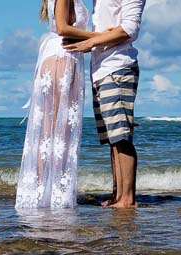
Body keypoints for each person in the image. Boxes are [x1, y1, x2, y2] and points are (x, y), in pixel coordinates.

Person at [15, 0, 102, 210]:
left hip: (62, 56)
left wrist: (92, 42)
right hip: (61, 58)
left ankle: (45, 192)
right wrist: (100, 37)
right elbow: (63, 28)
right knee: (57, 132)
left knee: (53, 132)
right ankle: (50, 195)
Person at [65, 0, 145, 209]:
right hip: (101, 70)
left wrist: (91, 42)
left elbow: (129, 29)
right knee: (112, 138)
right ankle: (119, 195)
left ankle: (127, 199)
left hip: (118, 67)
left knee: (121, 136)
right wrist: (99, 37)